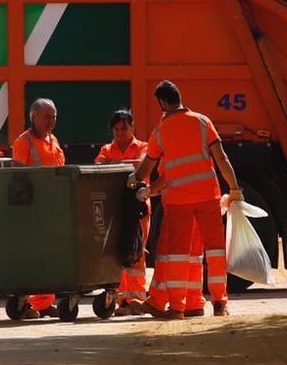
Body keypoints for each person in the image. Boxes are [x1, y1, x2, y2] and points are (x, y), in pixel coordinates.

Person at [135, 79, 242, 318]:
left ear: (162, 102)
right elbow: (221, 159)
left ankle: (177, 308)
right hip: (208, 197)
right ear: (179, 97)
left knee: (178, 256)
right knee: (214, 252)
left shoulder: (160, 131)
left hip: (177, 202)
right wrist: (234, 188)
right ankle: (219, 304)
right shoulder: (203, 122)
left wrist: (135, 182)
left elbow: (147, 169)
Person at [12, 98, 66, 314]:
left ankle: (43, 302)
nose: (51, 121)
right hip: (32, 210)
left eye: (53, 117)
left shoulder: (53, 140)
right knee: (29, 257)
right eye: (46, 117)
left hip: (51, 209)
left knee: (48, 256)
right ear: (33, 117)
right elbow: (17, 177)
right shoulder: (23, 142)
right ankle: (22, 302)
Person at [94, 108, 151, 314]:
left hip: (137, 208)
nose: (120, 132)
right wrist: (125, 165)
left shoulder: (144, 146)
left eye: (124, 128)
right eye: (117, 128)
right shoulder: (107, 149)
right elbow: (98, 166)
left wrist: (114, 164)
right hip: (116, 208)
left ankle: (136, 298)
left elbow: (142, 165)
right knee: (117, 253)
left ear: (133, 126)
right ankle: (122, 301)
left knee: (137, 252)